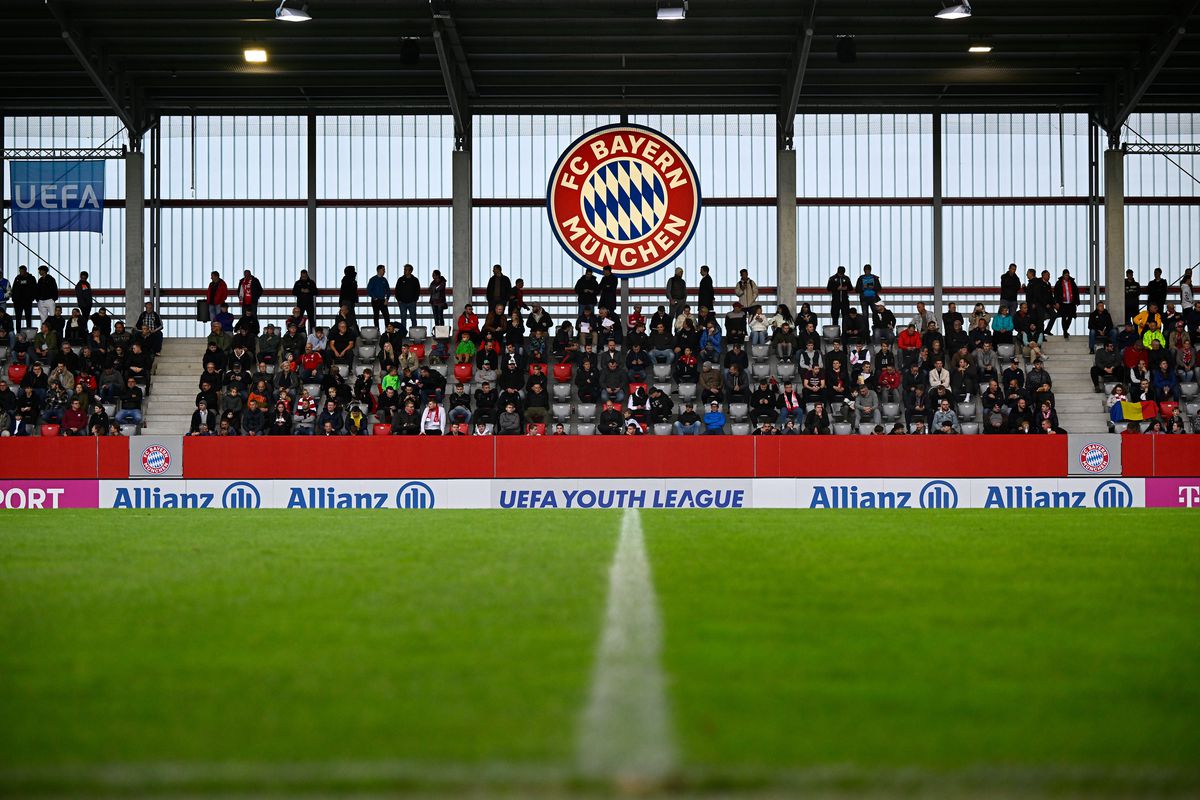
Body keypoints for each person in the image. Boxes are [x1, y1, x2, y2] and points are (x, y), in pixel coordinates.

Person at [394, 263, 421, 333]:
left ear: (410, 271)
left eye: (406, 270)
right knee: (403, 318)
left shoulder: (415, 280)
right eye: (404, 270)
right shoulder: (400, 279)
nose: (404, 271)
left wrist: (415, 299)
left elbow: (417, 290)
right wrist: (399, 300)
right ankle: (403, 333)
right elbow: (397, 290)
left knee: (413, 318)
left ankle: (415, 333)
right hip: (402, 303)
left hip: (412, 302)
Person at [1052, 269, 1079, 338]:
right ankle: (1065, 332)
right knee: (1063, 317)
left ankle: (1065, 330)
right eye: (1065, 275)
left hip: (1071, 303)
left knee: (1070, 317)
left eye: (1067, 275)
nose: (1066, 276)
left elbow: (1076, 292)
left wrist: (1077, 301)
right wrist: (1057, 302)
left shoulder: (1072, 282)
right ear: (1063, 275)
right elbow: (1056, 293)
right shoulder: (1059, 283)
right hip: (1063, 303)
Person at [855, 264, 881, 332]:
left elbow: (879, 288)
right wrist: (863, 288)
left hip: (873, 298)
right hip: (864, 299)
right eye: (866, 270)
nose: (867, 272)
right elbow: (857, 289)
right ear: (864, 271)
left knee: (875, 313)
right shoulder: (861, 278)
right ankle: (866, 331)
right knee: (865, 316)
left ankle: (876, 327)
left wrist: (873, 287)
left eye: (868, 270)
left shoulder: (875, 278)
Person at [366, 265, 391, 329]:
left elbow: (388, 290)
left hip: (383, 300)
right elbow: (369, 290)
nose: (384, 271)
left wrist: (387, 299)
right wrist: (374, 297)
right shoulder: (373, 279)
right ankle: (377, 330)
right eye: (383, 270)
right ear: (379, 270)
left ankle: (388, 331)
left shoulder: (384, 280)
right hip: (375, 301)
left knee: (386, 316)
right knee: (376, 316)